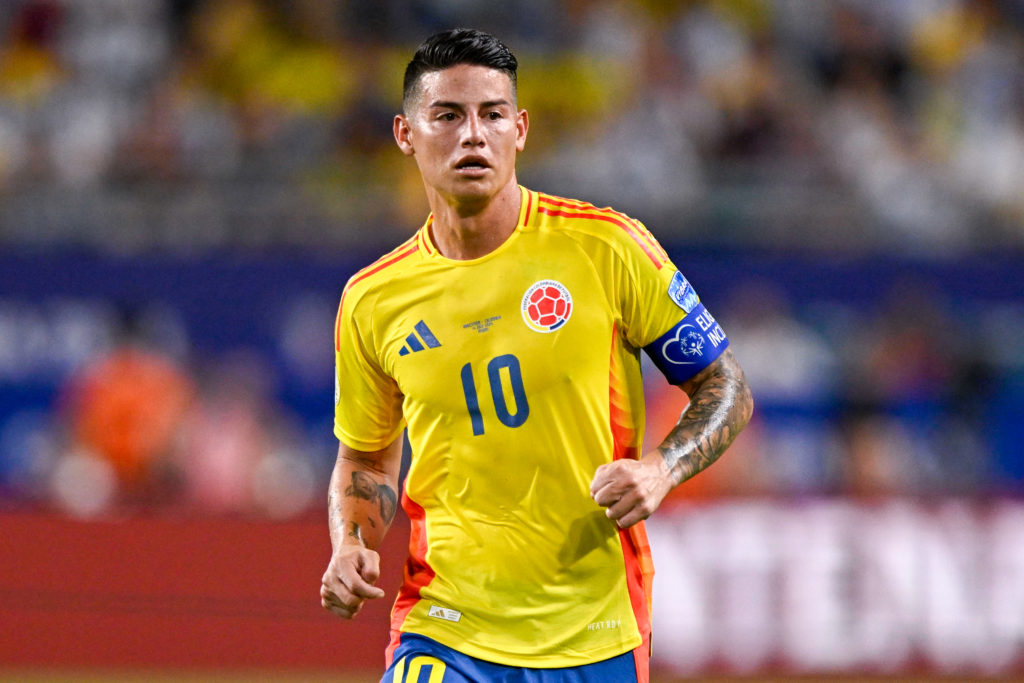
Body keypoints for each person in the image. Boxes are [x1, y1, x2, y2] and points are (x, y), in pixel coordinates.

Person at [321, 28, 753, 683]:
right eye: (447, 115)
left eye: (492, 114)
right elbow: (366, 454)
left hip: (595, 627)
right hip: (445, 620)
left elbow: (726, 386)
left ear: (520, 129)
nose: (473, 134)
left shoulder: (607, 249)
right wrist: (350, 542)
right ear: (405, 133)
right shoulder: (372, 299)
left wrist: (662, 468)